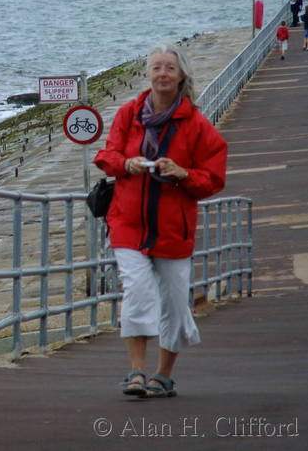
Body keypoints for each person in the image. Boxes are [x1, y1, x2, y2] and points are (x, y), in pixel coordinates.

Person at [93, 42, 227, 399]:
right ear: (148, 74)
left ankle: (163, 375)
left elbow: (213, 178)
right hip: (128, 223)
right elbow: (107, 155)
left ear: (181, 75)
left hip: (173, 228)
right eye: (156, 67)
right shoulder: (128, 114)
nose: (163, 74)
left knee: (173, 302)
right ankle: (136, 371)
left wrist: (183, 173)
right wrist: (125, 164)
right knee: (136, 289)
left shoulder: (196, 124)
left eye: (169, 68)